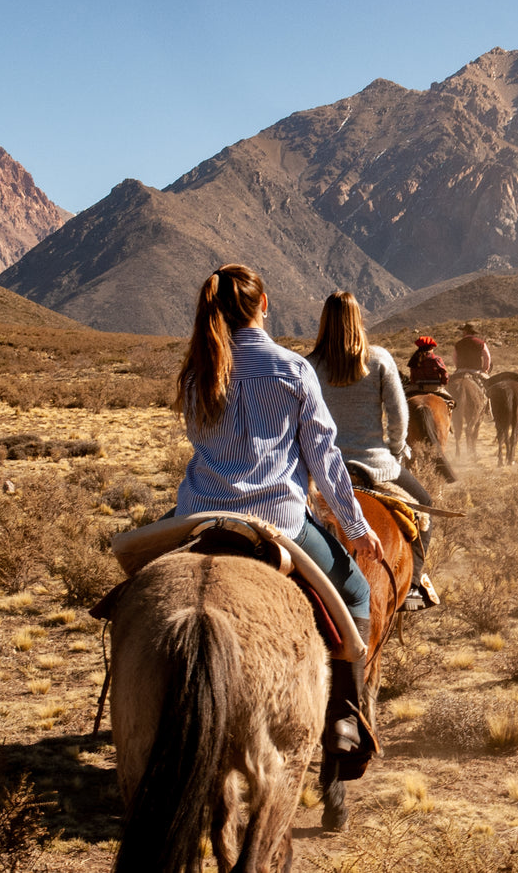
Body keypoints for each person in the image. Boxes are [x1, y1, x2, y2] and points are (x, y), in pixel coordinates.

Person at [173, 264, 383, 755]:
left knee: (137, 575)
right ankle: (345, 721)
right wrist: (354, 525)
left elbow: (196, 439)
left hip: (200, 515)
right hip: (279, 521)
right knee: (354, 591)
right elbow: (325, 459)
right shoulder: (293, 370)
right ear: (263, 306)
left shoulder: (197, 372)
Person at [308, 291, 438, 611]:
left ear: (324, 323)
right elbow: (398, 416)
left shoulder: (309, 365)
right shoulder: (378, 359)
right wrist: (395, 450)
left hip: (324, 467)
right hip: (375, 465)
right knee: (425, 506)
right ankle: (414, 583)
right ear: (359, 321)